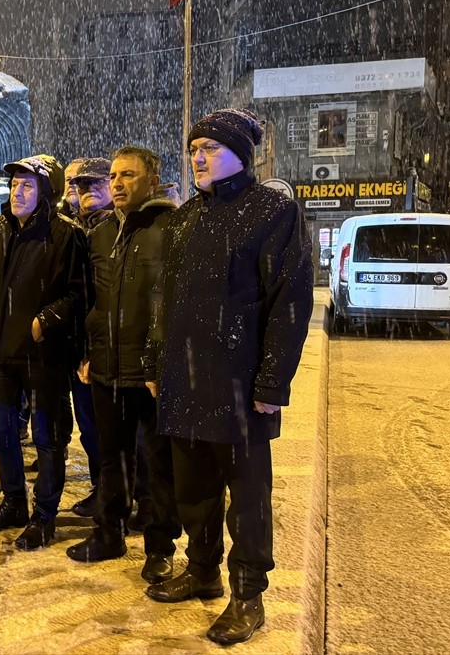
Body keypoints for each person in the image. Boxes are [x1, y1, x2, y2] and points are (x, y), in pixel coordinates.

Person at [144, 109, 313, 645]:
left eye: (210, 148)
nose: (198, 156)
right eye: (194, 147)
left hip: (240, 386)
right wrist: (156, 363)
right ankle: (202, 572)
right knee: (193, 490)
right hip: (184, 381)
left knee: (247, 497)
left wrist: (272, 385)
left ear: (242, 153)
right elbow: (163, 301)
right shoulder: (186, 216)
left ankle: (248, 595)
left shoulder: (273, 211)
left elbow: (291, 303)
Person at [66, 146, 182, 587]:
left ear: (152, 181)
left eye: (127, 175)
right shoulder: (99, 235)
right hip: (105, 369)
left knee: (156, 465)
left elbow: (168, 304)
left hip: (148, 373)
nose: (116, 183)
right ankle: (108, 534)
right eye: (113, 176)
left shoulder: (169, 228)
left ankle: (159, 550)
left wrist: (160, 360)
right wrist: (88, 352)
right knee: (110, 460)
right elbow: (94, 303)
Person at [0, 155, 86, 550]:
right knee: (5, 434)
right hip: (3, 352)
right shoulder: (2, 229)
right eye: (13, 186)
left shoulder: (65, 234)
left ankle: (44, 516)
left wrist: (46, 319)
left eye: (26, 186)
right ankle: (13, 503)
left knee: (47, 437)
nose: (16, 193)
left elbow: (78, 293)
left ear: (46, 191)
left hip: (43, 356)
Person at [63, 157, 113, 518]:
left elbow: (108, 298)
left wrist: (96, 349)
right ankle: (104, 490)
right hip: (79, 349)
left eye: (96, 184)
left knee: (110, 432)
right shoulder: (76, 229)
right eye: (81, 186)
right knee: (91, 430)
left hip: (105, 350)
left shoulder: (116, 229)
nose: (86, 191)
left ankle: (119, 497)